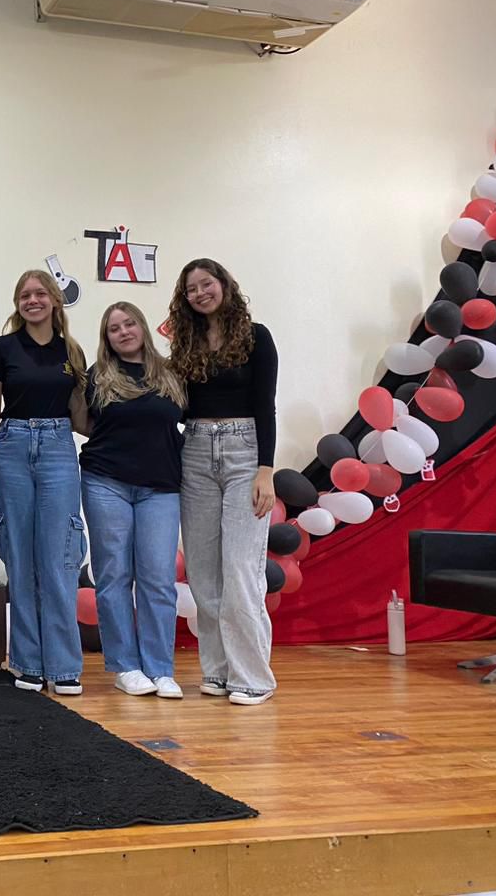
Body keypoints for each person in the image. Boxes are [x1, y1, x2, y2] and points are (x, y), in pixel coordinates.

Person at [167, 258, 278, 706]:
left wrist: (266, 469)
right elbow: (177, 406)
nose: (200, 293)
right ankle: (217, 670)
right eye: (191, 289)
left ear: (224, 285)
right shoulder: (185, 344)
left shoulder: (256, 336)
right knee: (203, 571)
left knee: (240, 567)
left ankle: (253, 676)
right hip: (194, 451)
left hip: (244, 452)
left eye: (206, 284)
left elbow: (266, 404)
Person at [0, 271, 87, 695]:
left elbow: (80, 415)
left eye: (40, 293)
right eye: (24, 295)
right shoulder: (2, 348)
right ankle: (27, 663)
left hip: (59, 447)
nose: (32, 300)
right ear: (17, 303)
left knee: (59, 559)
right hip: (12, 447)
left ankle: (63, 665)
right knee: (20, 559)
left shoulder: (71, 351)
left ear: (55, 300)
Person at [75, 302, 187, 699]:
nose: (123, 332)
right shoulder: (97, 376)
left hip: (161, 487)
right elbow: (81, 422)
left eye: (129, 324)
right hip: (106, 482)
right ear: (106, 338)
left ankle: (160, 668)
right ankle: (126, 666)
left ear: (142, 327)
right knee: (114, 577)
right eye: (114, 328)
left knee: (158, 578)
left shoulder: (171, 374)